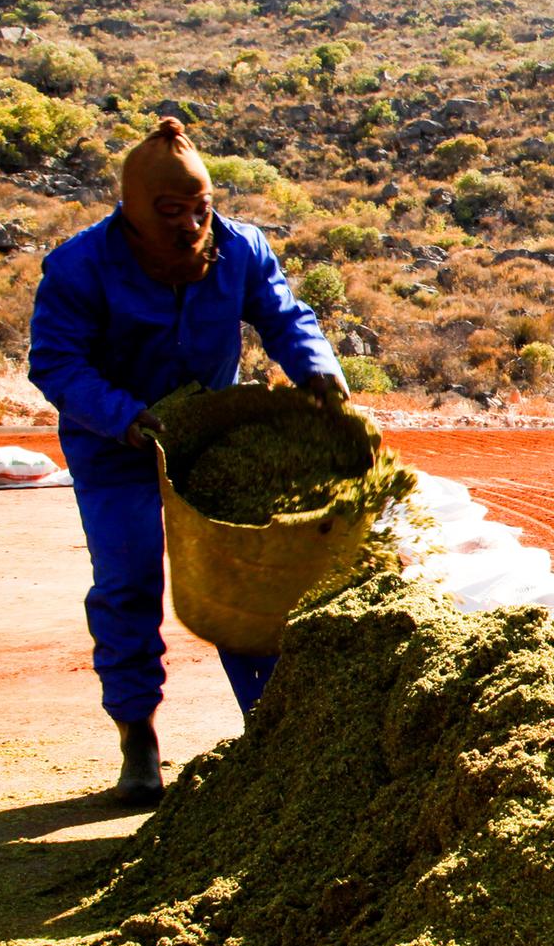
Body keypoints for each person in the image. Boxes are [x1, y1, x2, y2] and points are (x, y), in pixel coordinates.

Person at [27, 118, 348, 804]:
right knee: (128, 580)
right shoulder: (80, 266)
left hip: (210, 441)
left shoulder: (241, 248)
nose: (189, 227)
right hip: (116, 443)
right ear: (135, 213)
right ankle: (137, 738)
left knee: (249, 578)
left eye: (200, 211)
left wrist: (318, 373)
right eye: (171, 215)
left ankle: (267, 726)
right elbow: (56, 362)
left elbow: (286, 318)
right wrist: (125, 419)